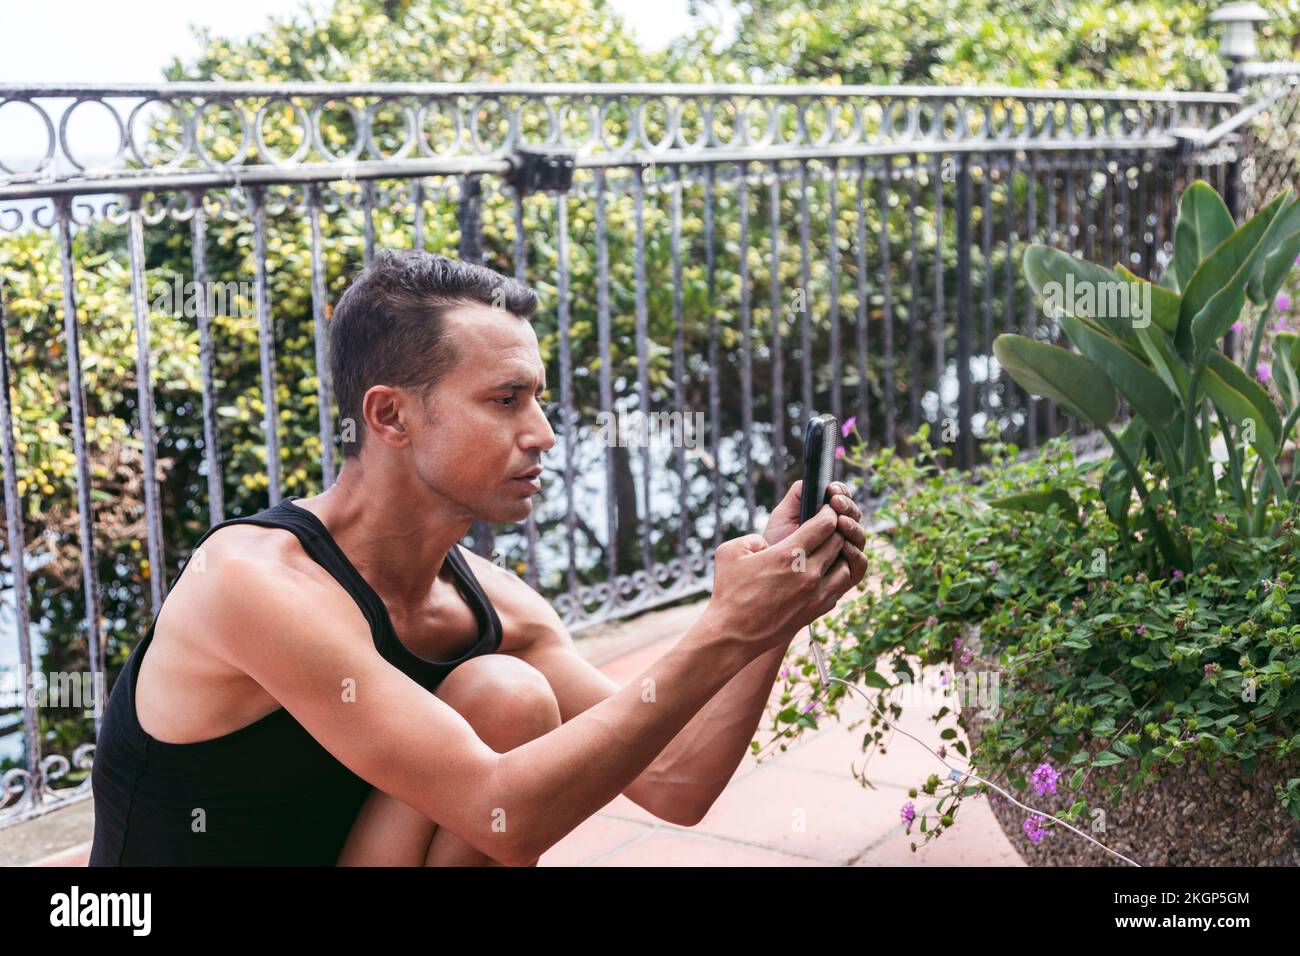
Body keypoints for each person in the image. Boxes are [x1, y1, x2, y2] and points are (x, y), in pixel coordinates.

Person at [89, 249, 868, 866]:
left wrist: (772, 615)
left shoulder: (494, 609)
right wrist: (724, 627)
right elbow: (511, 812)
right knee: (509, 709)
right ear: (390, 415)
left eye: (538, 397)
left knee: (506, 696)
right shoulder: (254, 584)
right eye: (506, 400)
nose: (543, 434)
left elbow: (678, 782)